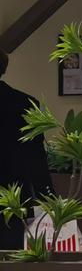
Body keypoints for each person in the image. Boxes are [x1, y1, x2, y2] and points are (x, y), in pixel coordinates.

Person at [0, 51, 50, 250]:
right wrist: (47, 197)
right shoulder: (27, 104)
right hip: (16, 195)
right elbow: (37, 158)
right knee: (13, 257)